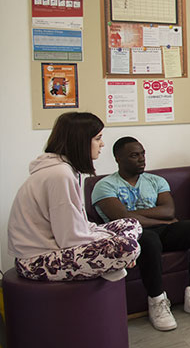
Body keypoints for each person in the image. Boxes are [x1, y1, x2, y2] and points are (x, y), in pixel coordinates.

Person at [92, 137, 190, 331]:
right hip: (129, 237)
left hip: (160, 231)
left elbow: (168, 211)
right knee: (149, 239)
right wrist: (160, 221)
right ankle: (157, 300)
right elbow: (124, 220)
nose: (142, 159)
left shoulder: (156, 180)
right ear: (118, 158)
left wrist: (139, 215)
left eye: (143, 154)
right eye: (134, 155)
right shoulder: (104, 185)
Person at [7, 112, 141, 282]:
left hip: (57, 245)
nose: (102, 144)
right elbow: (70, 238)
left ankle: (114, 263)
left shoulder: (65, 169)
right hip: (36, 260)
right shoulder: (60, 174)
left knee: (131, 224)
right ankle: (116, 263)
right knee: (128, 247)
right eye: (98, 138)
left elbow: (78, 224)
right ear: (81, 142)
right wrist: (112, 242)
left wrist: (106, 237)